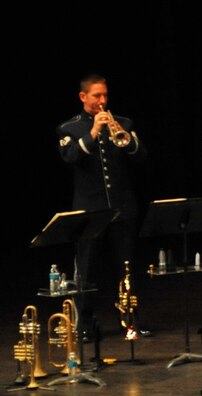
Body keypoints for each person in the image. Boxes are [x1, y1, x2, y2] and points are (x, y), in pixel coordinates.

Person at [56, 74, 148, 337]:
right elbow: (71, 157)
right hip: (89, 210)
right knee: (86, 269)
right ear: (83, 97)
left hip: (122, 207)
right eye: (97, 96)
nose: (102, 100)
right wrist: (94, 130)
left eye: (105, 95)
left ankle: (131, 321)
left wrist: (127, 139)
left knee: (126, 267)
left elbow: (141, 156)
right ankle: (84, 325)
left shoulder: (124, 122)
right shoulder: (69, 128)